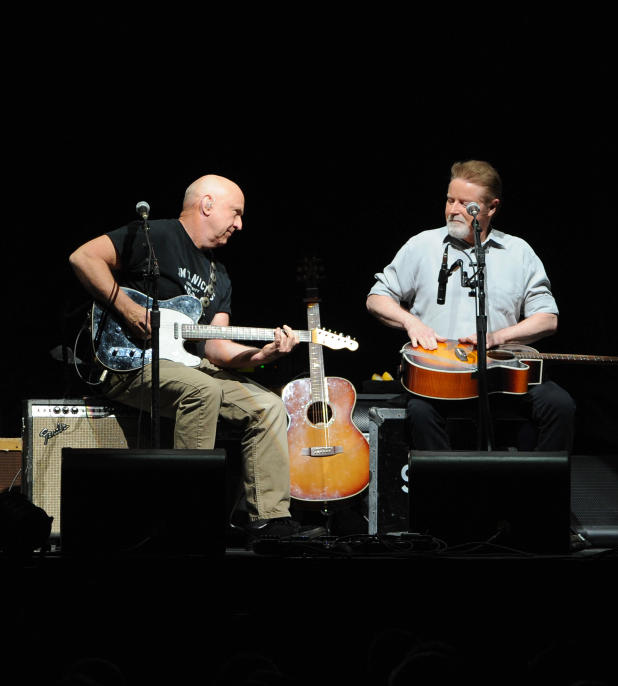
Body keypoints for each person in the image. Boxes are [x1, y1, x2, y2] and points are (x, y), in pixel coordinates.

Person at [68, 174, 308, 541]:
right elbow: (83, 257)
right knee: (203, 392)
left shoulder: (220, 275)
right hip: (129, 361)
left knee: (269, 406)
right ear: (207, 204)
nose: (240, 224)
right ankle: (188, 518)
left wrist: (265, 353)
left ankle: (268, 520)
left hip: (190, 366)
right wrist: (130, 311)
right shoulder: (155, 235)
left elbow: (217, 349)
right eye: (236, 213)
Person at [366, 160, 576, 451]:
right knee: (421, 412)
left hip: (500, 377)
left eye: (466, 204)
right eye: (450, 200)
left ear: (491, 208)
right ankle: (445, 492)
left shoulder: (519, 252)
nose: (453, 209)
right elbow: (377, 297)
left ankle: (538, 493)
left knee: (559, 405)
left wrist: (496, 337)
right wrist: (410, 322)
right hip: (438, 379)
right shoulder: (422, 245)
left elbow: (547, 318)